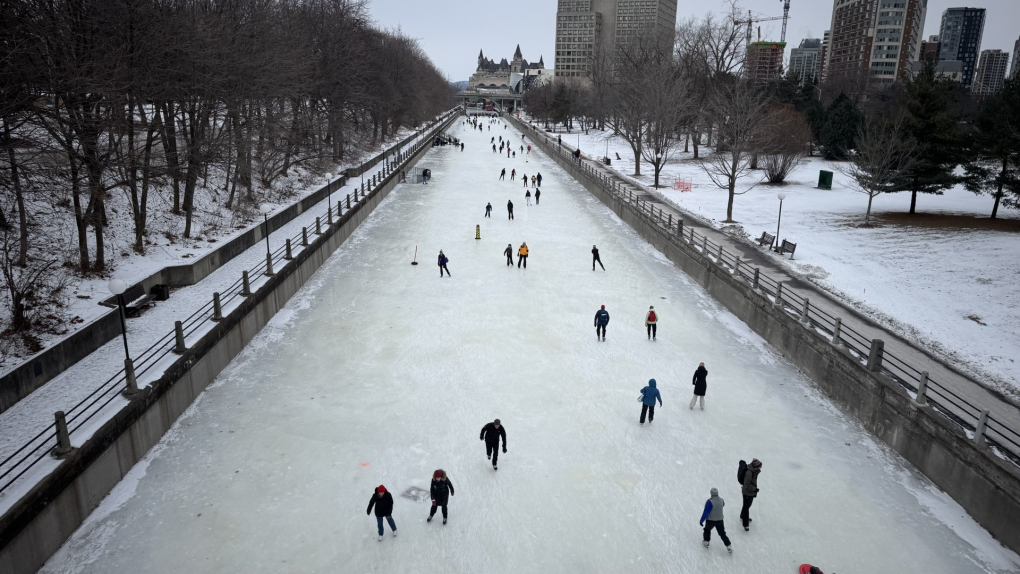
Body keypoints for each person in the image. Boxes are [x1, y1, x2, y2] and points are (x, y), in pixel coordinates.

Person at [699, 487, 732, 553]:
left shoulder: (709, 501)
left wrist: (701, 520)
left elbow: (706, 512)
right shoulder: (721, 500)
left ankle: (706, 541)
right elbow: (723, 505)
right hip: (720, 520)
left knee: (707, 530)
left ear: (711, 493)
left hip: (711, 520)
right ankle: (728, 545)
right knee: (722, 533)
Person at [740, 459, 762, 531]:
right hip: (747, 493)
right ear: (756, 467)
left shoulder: (754, 471)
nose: (760, 468)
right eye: (759, 466)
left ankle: (742, 516)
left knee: (746, 506)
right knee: (746, 508)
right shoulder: (749, 472)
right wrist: (754, 489)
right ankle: (745, 525)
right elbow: (746, 484)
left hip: (750, 492)